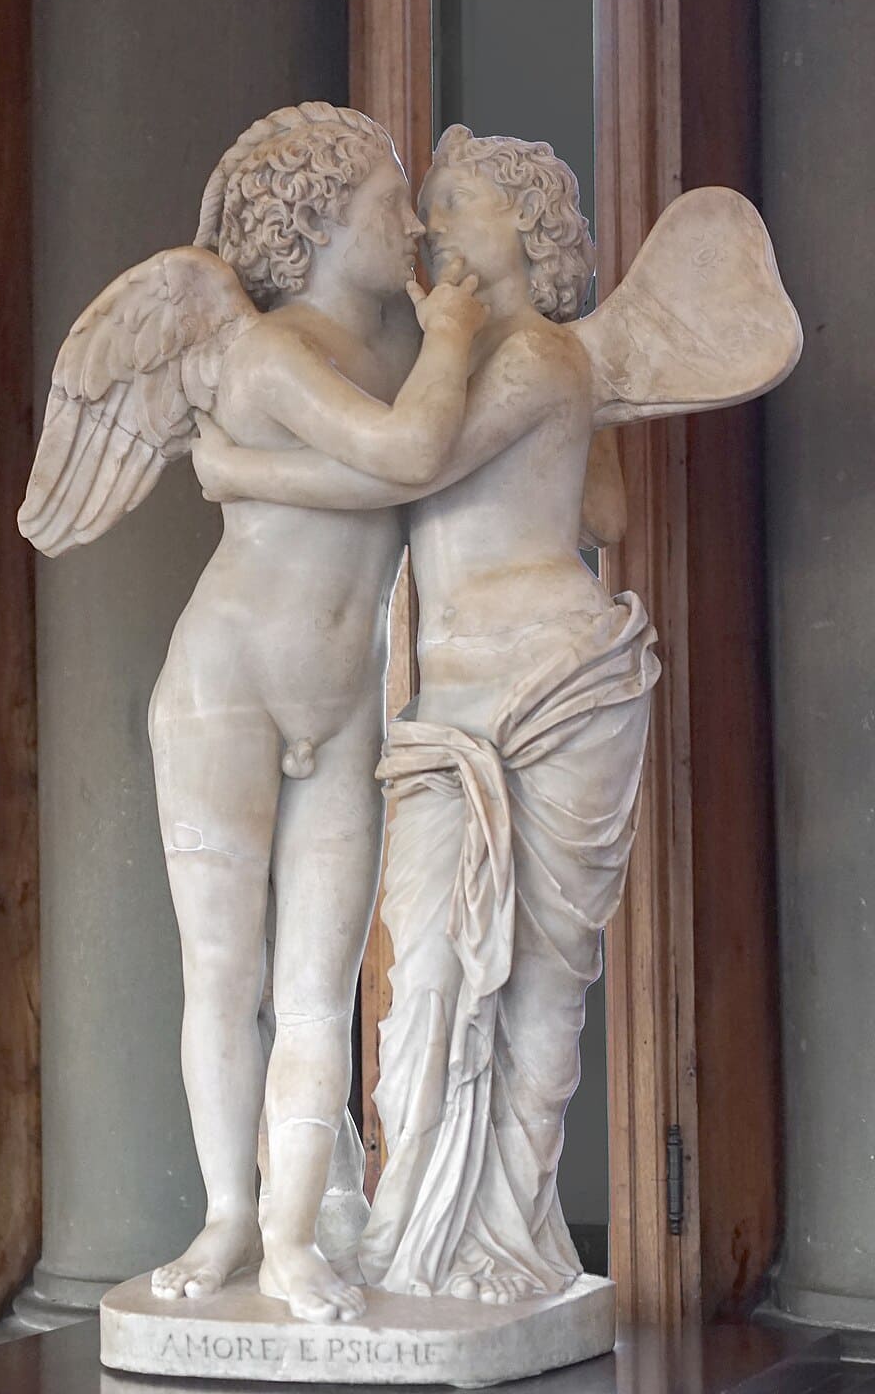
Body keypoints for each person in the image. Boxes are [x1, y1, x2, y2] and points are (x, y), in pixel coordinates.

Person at [192, 122, 801, 1305]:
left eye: (457, 200)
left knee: (534, 983)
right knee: (428, 967)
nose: (431, 225)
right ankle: (423, 1236)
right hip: (453, 702)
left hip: (551, 680)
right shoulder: (494, 369)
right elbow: (605, 512)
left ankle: (505, 1240)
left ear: (522, 228)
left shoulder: (533, 360)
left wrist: (239, 471)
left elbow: (411, 468)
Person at [18, 103, 486, 1323]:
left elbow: (436, 463)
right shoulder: (273, 351)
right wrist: (448, 352)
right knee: (225, 976)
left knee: (323, 987)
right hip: (223, 690)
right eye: (391, 202)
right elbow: (411, 460)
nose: (415, 223)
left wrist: (238, 470)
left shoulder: (407, 345)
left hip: (343, 707)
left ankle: (290, 1237)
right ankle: (230, 1214)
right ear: (320, 221)